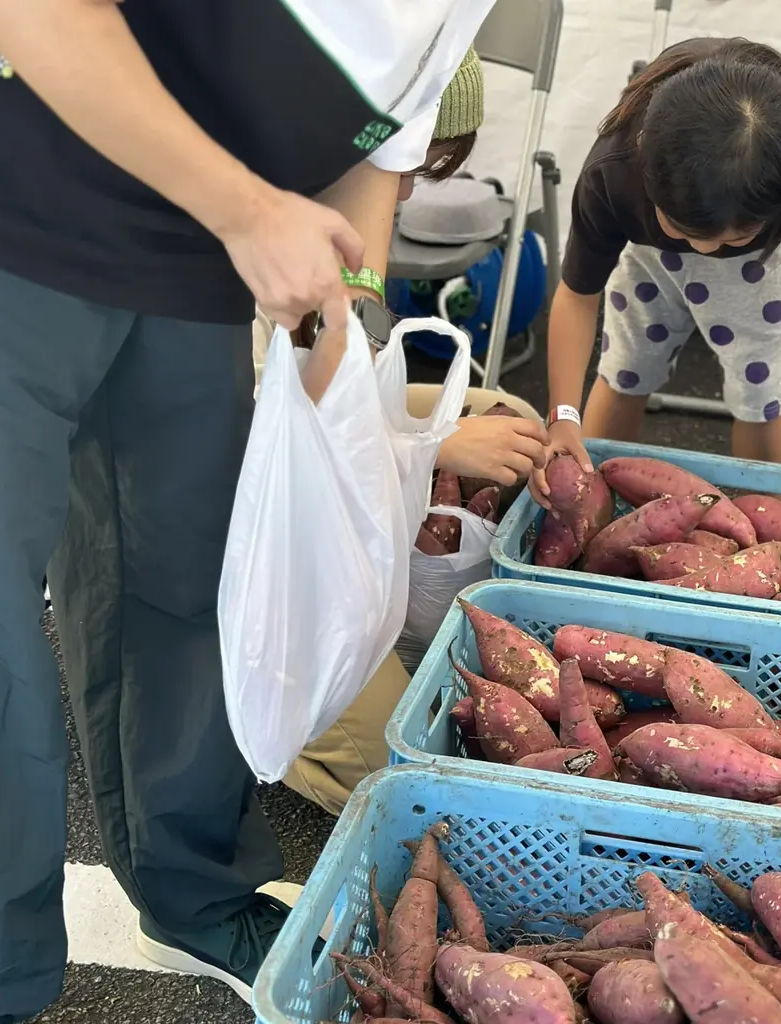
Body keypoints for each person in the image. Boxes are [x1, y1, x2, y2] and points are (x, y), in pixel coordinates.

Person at [0, 2, 511, 1022]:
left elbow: (384, 131)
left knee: (182, 574)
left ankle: (194, 888)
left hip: (185, 253)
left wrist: (341, 319)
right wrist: (248, 210)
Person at [280, 49, 549, 817]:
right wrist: (428, 448)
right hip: (253, 532)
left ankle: (394, 619)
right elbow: (272, 436)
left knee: (507, 417)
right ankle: (244, 707)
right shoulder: (265, 223)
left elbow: (340, 366)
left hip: (327, 425)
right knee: (391, 768)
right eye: (410, 162)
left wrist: (454, 428)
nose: (406, 190)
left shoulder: (344, 201)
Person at [530, 38, 781, 522]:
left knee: (760, 387)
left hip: (759, 266)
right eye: (689, 232)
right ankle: (591, 502)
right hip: (649, 253)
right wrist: (563, 418)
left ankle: (760, 518)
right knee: (625, 365)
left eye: (733, 236)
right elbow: (579, 294)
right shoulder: (614, 171)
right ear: (647, 172)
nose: (707, 249)